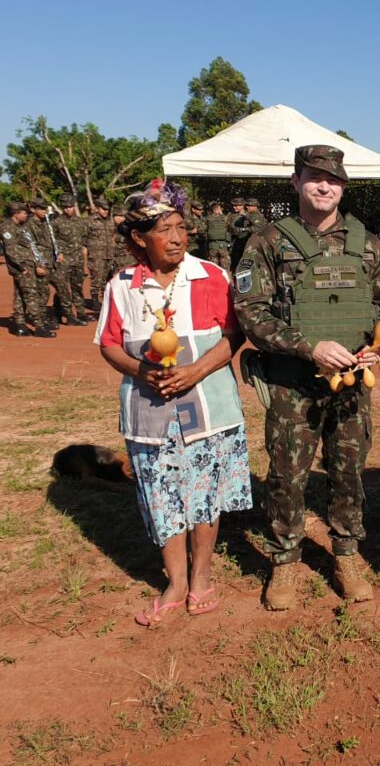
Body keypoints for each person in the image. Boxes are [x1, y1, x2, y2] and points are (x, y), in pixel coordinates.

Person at [233, 145, 380, 611]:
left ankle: (346, 554)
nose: (324, 186)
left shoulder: (366, 243)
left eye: (333, 179)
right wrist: (308, 347)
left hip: (351, 386)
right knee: (287, 475)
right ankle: (285, 559)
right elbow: (250, 312)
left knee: (348, 471)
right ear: (296, 182)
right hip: (294, 384)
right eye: (314, 177)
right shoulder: (268, 242)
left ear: (344, 186)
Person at [95, 179, 250, 628]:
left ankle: (201, 577)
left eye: (181, 227)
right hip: (149, 412)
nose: (178, 237)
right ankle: (176, 582)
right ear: (139, 240)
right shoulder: (122, 285)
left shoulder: (211, 276)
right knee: (163, 499)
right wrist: (143, 372)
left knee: (203, 497)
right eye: (165, 230)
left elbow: (232, 336)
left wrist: (195, 371)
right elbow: (108, 344)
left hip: (209, 407)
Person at [1, 201, 54, 337]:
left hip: (28, 265)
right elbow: (11, 250)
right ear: (16, 214)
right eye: (24, 213)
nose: (26, 215)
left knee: (19, 295)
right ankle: (39, 326)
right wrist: (22, 266)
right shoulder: (7, 228)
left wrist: (37, 263)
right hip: (23, 267)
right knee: (31, 295)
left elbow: (31, 246)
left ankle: (20, 326)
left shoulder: (20, 226)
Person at [28, 198, 75, 327]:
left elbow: (53, 240)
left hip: (53, 262)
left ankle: (68, 314)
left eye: (45, 208)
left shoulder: (47, 222)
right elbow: (31, 246)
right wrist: (37, 264)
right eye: (41, 209)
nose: (44, 211)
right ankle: (41, 318)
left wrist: (58, 252)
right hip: (41, 263)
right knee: (43, 293)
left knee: (63, 287)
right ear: (33, 209)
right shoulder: (29, 224)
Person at [53, 193, 92, 322]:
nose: (68, 209)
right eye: (65, 207)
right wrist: (58, 254)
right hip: (63, 260)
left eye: (70, 206)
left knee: (77, 287)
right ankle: (65, 313)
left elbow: (85, 240)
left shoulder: (80, 222)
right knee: (62, 288)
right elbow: (52, 242)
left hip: (78, 259)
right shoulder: (56, 223)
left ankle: (81, 313)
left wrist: (85, 260)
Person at [85, 197, 117, 308]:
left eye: (107, 209)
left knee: (105, 279)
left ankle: (104, 300)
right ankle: (94, 301)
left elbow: (113, 236)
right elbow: (83, 238)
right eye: (103, 209)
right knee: (96, 279)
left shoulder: (110, 221)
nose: (106, 211)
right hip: (96, 255)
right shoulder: (90, 221)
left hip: (109, 255)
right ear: (97, 209)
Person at [204, 201, 232, 270]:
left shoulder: (208, 218)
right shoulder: (225, 218)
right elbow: (231, 228)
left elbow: (202, 230)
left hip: (212, 246)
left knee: (214, 269)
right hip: (223, 246)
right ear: (219, 209)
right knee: (225, 269)